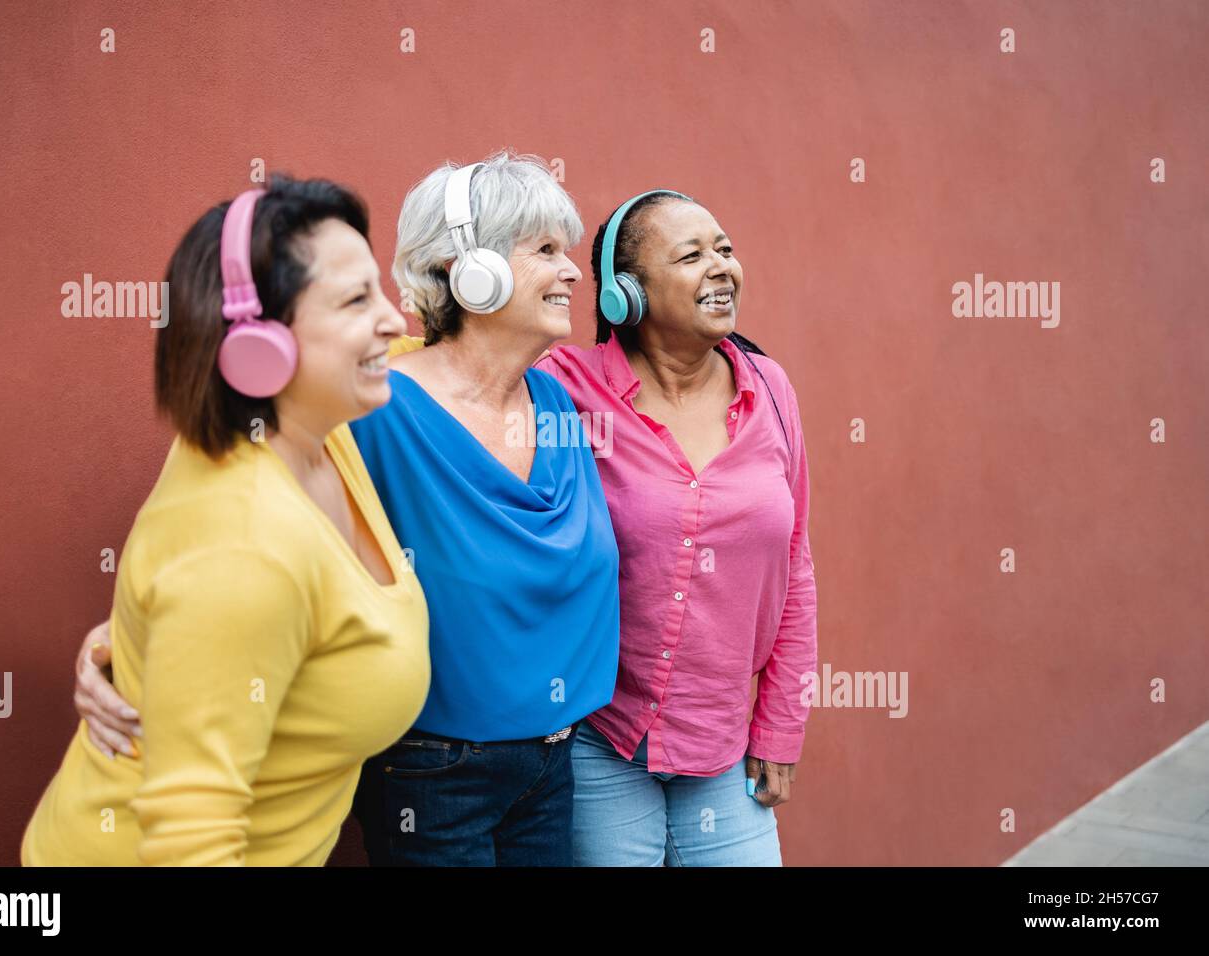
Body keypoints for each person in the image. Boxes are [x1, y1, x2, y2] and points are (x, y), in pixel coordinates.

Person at [68, 152, 621, 866]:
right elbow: (211, 524)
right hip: (440, 774)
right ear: (469, 271)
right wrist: (118, 643)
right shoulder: (370, 402)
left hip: (552, 764)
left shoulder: (553, 400)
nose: (573, 271)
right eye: (546, 250)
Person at [21, 175, 430, 866]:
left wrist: (136, 643)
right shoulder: (245, 545)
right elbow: (193, 843)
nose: (396, 323)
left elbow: (464, 354)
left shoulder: (316, 428)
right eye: (358, 299)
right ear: (257, 347)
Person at [530, 188, 819, 865]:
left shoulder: (770, 390)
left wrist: (780, 727)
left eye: (725, 249)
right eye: (691, 256)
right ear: (625, 295)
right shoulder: (565, 389)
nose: (721, 267)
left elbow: (796, 564)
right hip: (603, 737)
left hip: (722, 745)